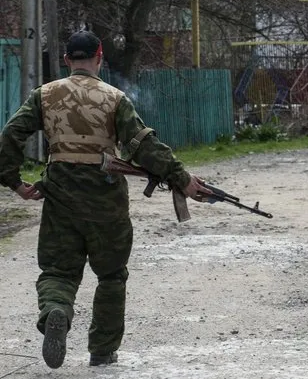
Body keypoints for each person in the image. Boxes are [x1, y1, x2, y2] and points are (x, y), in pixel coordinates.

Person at [0, 30, 212, 369]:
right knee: (111, 275)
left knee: (58, 270)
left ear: (68, 60)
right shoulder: (115, 98)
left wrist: (14, 183)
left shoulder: (45, 95)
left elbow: (11, 134)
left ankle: (57, 311)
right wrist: (182, 179)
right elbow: (143, 146)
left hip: (60, 195)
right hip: (106, 197)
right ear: (100, 56)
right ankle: (102, 350)